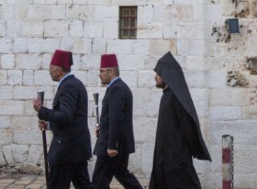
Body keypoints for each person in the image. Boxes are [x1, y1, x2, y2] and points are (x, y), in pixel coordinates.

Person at [149, 52, 211, 189]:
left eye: (158, 74)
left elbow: (187, 126)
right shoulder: (166, 96)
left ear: (166, 75)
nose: (155, 77)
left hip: (176, 157)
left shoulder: (175, 97)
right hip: (164, 157)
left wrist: (186, 150)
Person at [33, 50, 92, 189]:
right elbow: (72, 119)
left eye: (51, 68)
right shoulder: (75, 83)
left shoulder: (68, 86)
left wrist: (42, 110)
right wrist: (49, 125)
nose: (49, 71)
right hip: (76, 148)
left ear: (59, 70)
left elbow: (65, 117)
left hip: (66, 150)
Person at [90, 54, 143, 189]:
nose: (99, 75)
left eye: (102, 71)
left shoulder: (117, 88)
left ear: (111, 72)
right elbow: (113, 118)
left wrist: (112, 145)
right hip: (117, 142)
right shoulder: (117, 87)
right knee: (121, 174)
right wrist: (102, 128)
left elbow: (116, 118)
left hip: (112, 145)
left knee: (99, 180)